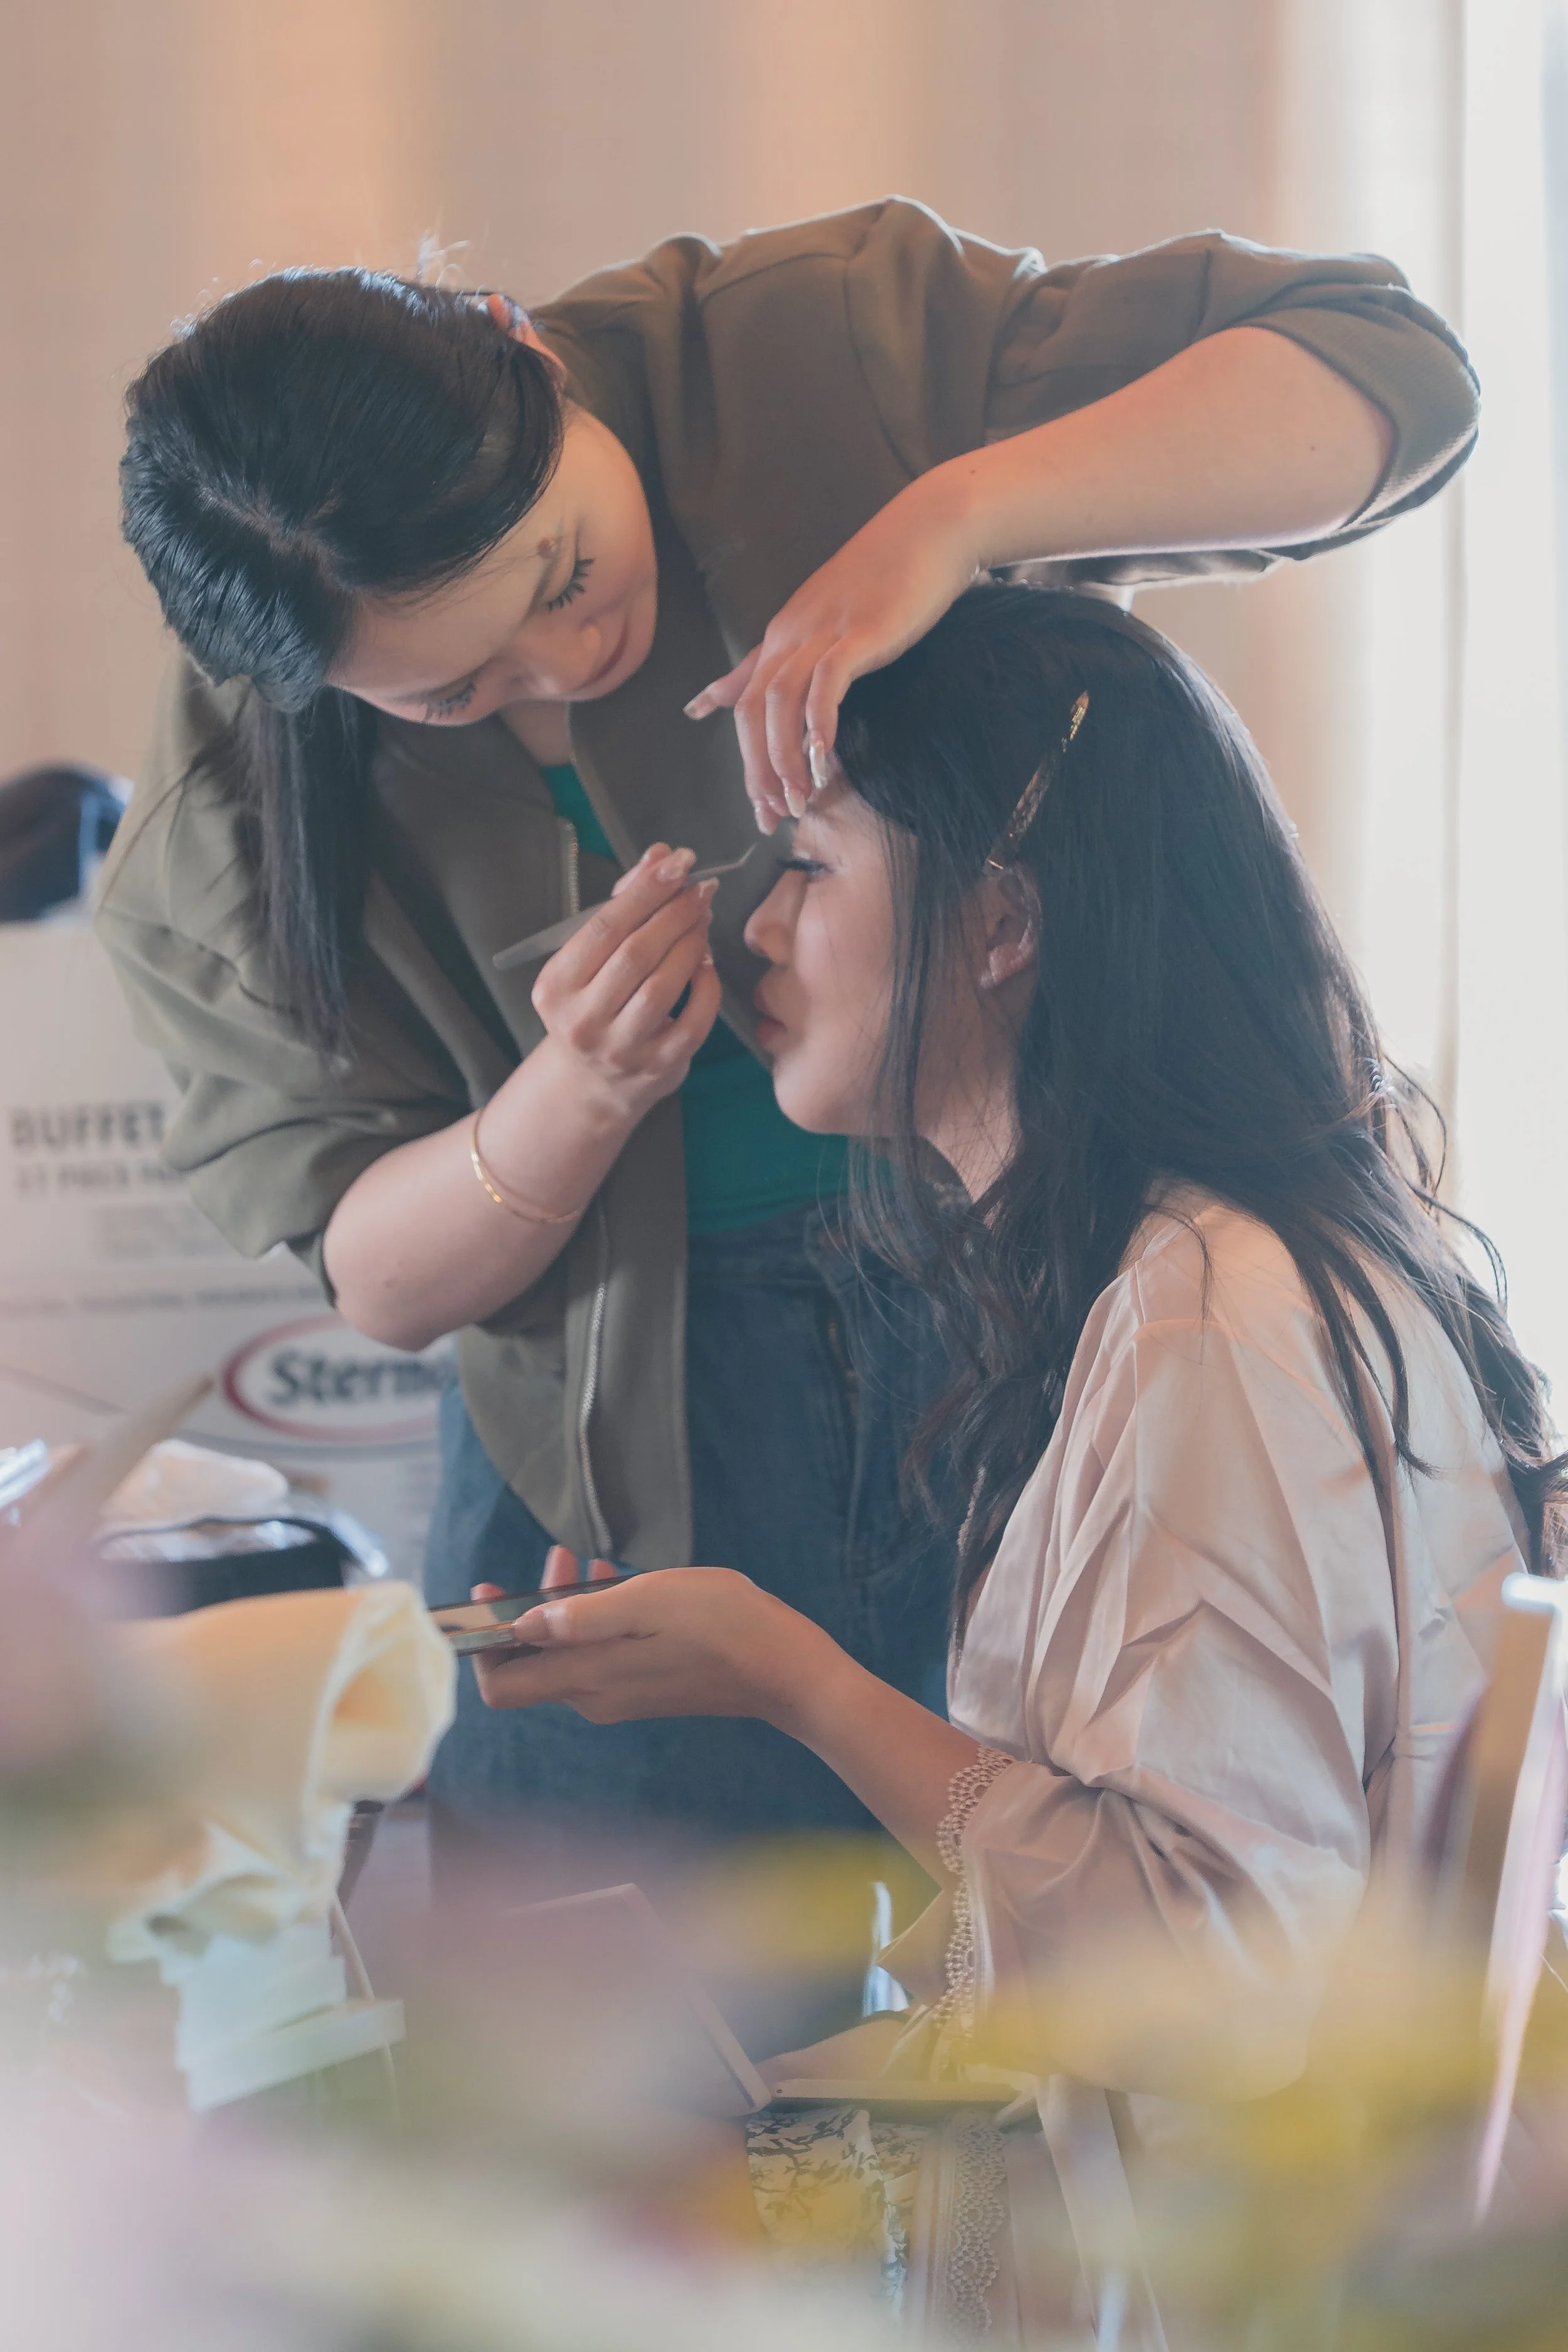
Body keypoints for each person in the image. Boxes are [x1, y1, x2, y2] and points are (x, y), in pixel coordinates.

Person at [100, 200, 1480, 1847]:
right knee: (635, 2042)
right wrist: (576, 1091)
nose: (573, 656)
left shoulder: (807, 354)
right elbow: (371, 1269)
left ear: (518, 347)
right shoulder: (235, 793)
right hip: (631, 1441)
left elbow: (1387, 373)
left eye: (560, 570)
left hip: (1021, 1277)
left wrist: (953, 515)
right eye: (454, 693)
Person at [469, 583, 1565, 2090]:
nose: (761, 929)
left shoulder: (1208, 1318)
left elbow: (1204, 1967)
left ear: (998, 923)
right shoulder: (1179, 1270)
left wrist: (794, 1681)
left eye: (804, 864)